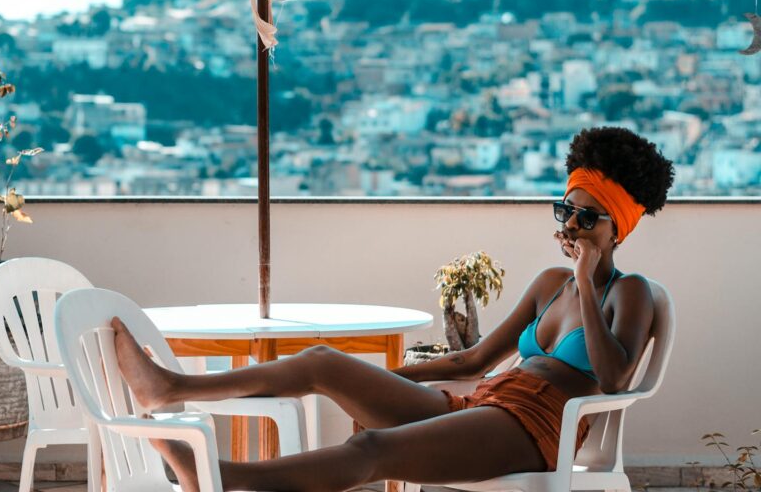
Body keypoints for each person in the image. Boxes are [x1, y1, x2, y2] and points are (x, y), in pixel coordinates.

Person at [112, 126, 675, 492]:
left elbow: (612, 376)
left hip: (538, 427)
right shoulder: (548, 283)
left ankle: (216, 477)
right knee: (323, 362)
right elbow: (471, 360)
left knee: (371, 450)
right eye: (564, 210)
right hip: (485, 400)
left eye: (586, 217)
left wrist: (585, 275)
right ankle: (172, 388)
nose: (569, 226)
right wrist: (388, 377)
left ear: (617, 228)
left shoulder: (630, 293)